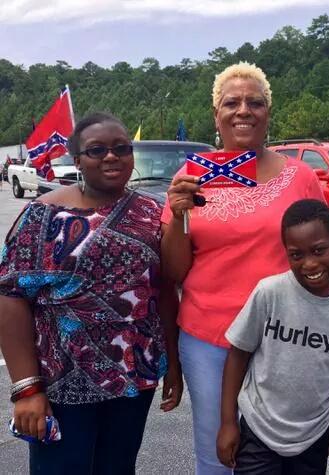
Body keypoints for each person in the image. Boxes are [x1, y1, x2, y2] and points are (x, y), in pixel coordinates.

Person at [161, 62, 329, 475]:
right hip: (211, 336)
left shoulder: (299, 176)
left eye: (255, 102)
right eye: (231, 103)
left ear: (268, 112)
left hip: (290, 339)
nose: (243, 110)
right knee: (218, 455)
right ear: (215, 114)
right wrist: (180, 214)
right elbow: (175, 271)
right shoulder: (189, 178)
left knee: (285, 455)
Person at [0, 112, 183, 475]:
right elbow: (10, 297)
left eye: (121, 148)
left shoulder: (152, 212)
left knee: (118, 468)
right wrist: (26, 388)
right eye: (97, 150)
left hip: (134, 381)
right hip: (60, 386)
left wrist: (173, 365)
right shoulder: (43, 215)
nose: (111, 156)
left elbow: (163, 289)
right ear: (78, 159)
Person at [217, 199, 329, 474]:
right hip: (258, 427)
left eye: (319, 250)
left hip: (313, 435)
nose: (309, 264)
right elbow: (238, 354)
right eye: (296, 255)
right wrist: (227, 422)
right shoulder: (269, 293)